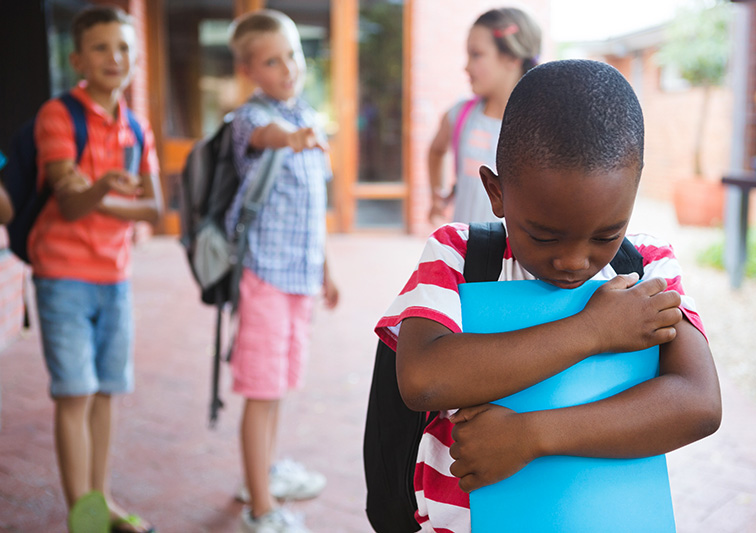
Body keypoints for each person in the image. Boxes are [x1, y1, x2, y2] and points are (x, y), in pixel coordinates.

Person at [376, 59, 722, 532]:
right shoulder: (460, 257)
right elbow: (422, 378)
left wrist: (530, 436)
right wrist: (593, 331)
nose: (575, 262)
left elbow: (698, 402)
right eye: (544, 237)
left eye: (606, 234)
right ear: (496, 193)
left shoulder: (646, 270)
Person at [30, 6, 163, 533]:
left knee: (106, 389)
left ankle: (101, 501)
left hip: (115, 276)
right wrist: (105, 188)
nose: (116, 58)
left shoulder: (136, 124)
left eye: (124, 47)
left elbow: (154, 210)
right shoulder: (58, 115)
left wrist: (97, 191)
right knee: (75, 392)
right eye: (103, 47)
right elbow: (68, 206)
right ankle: (82, 517)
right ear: (77, 58)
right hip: (63, 273)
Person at [226, 9, 339, 533]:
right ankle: (260, 507)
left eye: (292, 53)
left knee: (279, 384)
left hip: (298, 278)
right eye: (271, 61)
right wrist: (290, 138)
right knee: (261, 389)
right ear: (250, 70)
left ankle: (264, 474)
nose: (288, 67)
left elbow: (315, 208)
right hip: (265, 278)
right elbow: (265, 135)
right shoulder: (252, 119)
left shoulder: (308, 115)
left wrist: (326, 269)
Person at [427, 7, 541, 225]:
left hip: (514, 258)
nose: (466, 66)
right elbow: (435, 151)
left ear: (512, 57)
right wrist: (436, 196)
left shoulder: (539, 127)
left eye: (476, 54)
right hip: (466, 255)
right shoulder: (460, 115)